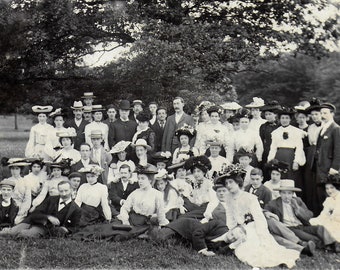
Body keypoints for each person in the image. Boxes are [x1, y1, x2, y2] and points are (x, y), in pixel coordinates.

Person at [221, 164, 300, 268]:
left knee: (254, 250)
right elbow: (230, 217)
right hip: (238, 229)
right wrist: (232, 230)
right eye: (226, 183)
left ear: (238, 182)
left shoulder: (250, 198)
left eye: (231, 182)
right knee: (236, 247)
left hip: (253, 227)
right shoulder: (228, 198)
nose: (228, 185)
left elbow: (259, 218)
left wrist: (263, 236)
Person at [264, 180, 340, 252]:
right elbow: (265, 210)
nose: (286, 196)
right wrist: (268, 213)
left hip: (302, 225)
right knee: (311, 238)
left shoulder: (297, 200)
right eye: (284, 193)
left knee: (320, 228)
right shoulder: (274, 203)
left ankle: (334, 244)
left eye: (289, 193)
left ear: (293, 193)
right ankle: (326, 246)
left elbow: (309, 215)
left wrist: (298, 209)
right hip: (290, 228)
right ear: (280, 193)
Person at [0, 181, 82, 238]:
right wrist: (48, 217)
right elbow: (36, 212)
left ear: (72, 190)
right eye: (61, 191)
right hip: (32, 221)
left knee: (24, 235)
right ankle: (8, 231)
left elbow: (75, 227)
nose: (64, 194)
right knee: (11, 232)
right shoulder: (51, 199)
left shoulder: (76, 209)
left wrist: (66, 230)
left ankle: (17, 233)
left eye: (66, 191)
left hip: (45, 228)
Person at [267, 107, 306, 190]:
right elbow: (273, 148)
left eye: (287, 118)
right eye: (282, 118)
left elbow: (299, 147)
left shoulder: (296, 131)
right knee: (280, 175)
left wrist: (296, 161)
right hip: (279, 156)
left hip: (290, 157)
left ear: (290, 119)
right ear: (280, 119)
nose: (284, 120)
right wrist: (270, 160)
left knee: (291, 177)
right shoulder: (275, 132)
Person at [313, 103, 340, 214]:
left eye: (325, 113)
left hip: (329, 168)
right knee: (320, 193)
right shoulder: (322, 128)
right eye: (321, 113)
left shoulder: (336, 129)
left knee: (329, 193)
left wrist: (334, 168)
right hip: (320, 167)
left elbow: (338, 150)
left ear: (332, 114)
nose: (323, 115)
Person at [13, 159, 47, 224]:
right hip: (29, 197)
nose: (36, 169)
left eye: (38, 167)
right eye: (34, 167)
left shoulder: (43, 177)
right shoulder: (27, 178)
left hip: (40, 198)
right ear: (31, 168)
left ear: (41, 168)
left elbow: (42, 191)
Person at [304, 98, 323, 215]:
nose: (315, 117)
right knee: (310, 183)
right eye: (312, 115)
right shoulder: (310, 128)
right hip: (311, 155)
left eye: (317, 114)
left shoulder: (327, 127)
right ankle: (312, 211)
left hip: (322, 155)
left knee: (320, 183)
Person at [309, 174, 340, 242]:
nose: (329, 191)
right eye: (327, 188)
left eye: (332, 188)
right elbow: (323, 215)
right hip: (331, 222)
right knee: (312, 222)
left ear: (337, 187)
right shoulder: (329, 200)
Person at [259, 100, 281, 168]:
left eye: (270, 114)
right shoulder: (263, 126)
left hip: (279, 150)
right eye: (266, 114)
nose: (267, 116)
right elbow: (261, 140)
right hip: (267, 150)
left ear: (275, 114)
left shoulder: (280, 125)